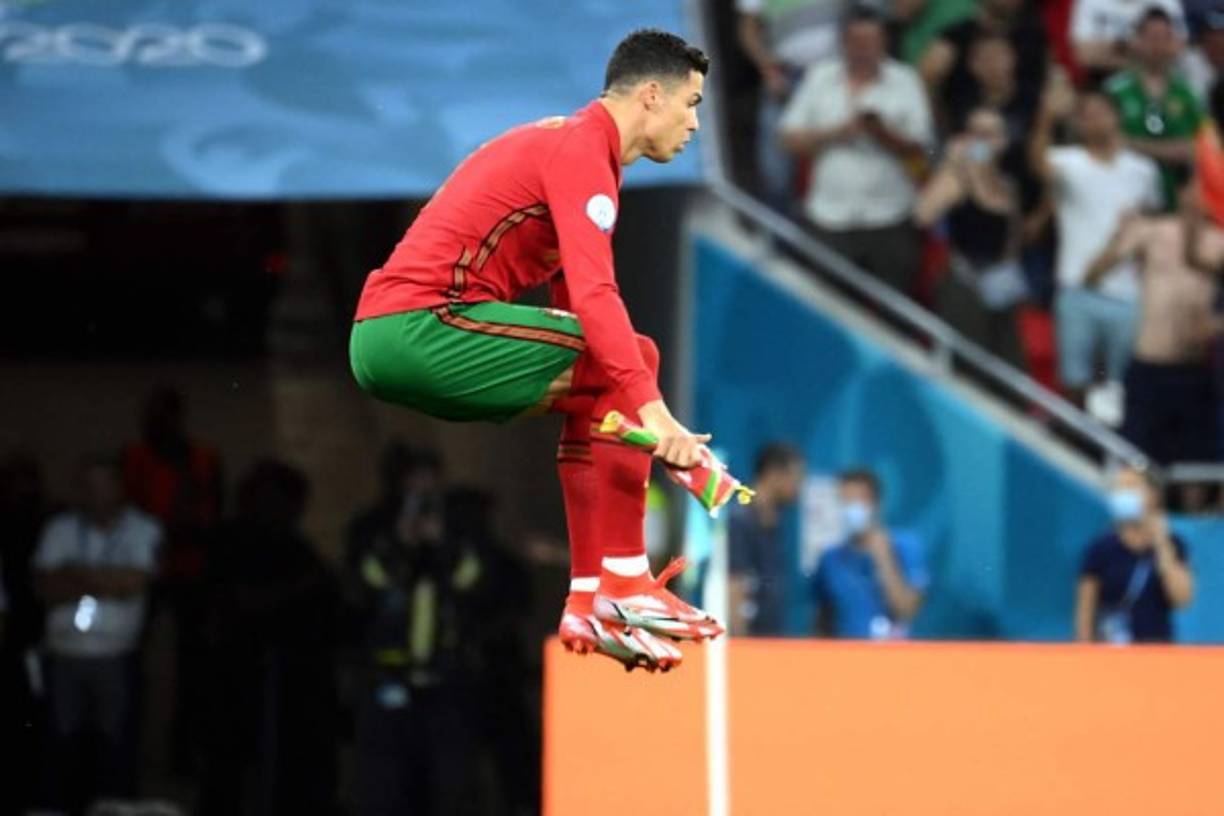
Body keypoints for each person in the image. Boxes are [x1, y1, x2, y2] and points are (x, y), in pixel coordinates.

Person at [349, 29, 714, 673]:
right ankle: (626, 583)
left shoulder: (580, 152)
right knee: (635, 359)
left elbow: (578, 310)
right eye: (690, 104)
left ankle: (587, 595)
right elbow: (600, 298)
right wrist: (656, 415)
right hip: (420, 326)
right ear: (651, 95)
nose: (693, 124)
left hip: (395, 337)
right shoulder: (581, 149)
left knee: (605, 379)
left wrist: (634, 410)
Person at [200, 461, 340, 816]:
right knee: (228, 766)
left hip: (289, 679)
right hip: (236, 671)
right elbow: (237, 600)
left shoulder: (296, 547)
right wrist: (299, 588)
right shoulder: (229, 539)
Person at [33, 456, 161, 812]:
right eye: (88, 485)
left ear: (120, 488)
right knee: (61, 747)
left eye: (104, 484)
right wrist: (108, 579)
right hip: (64, 654)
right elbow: (45, 586)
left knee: (115, 748)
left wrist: (74, 572)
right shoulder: (59, 528)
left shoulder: (141, 529)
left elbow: (134, 583)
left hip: (115, 655)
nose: (95, 494)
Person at [779, 6, 934, 294]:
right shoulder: (820, 77)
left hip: (890, 218)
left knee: (894, 317)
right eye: (856, 41)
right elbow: (788, 138)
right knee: (829, 312)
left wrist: (884, 134)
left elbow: (925, 151)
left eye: (871, 42)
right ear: (844, 42)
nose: (863, 49)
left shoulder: (906, 80)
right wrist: (837, 132)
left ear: (884, 43)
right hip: (830, 218)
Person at [1030, 80, 1163, 407]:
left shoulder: (1142, 170)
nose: (1094, 121)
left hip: (1127, 293)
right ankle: (1073, 449)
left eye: (1101, 113)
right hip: (1077, 290)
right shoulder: (1068, 161)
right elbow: (1037, 163)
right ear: (1077, 123)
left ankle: (1114, 454)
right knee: (1074, 383)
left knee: (1122, 386)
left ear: (1117, 117)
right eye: (1085, 115)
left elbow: (1152, 223)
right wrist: (1047, 116)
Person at [1083, 192, 1223, 475]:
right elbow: (1092, 276)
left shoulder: (1220, 240)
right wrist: (1117, 239)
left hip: (1194, 370)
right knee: (1135, 459)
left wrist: (1218, 324)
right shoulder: (1151, 232)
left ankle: (1188, 517)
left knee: (1194, 466)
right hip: (1149, 365)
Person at [915, 107, 1029, 367]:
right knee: (969, 360)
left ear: (1003, 141)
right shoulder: (956, 179)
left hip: (999, 283)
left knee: (1009, 360)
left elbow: (1011, 238)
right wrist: (950, 164)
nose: (980, 142)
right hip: (963, 281)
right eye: (974, 134)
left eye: (988, 135)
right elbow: (922, 215)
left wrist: (1012, 280)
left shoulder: (1008, 185)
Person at [735, 0, 846, 210]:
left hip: (837, 77)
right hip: (787, 76)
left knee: (838, 159)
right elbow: (747, 29)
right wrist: (767, 67)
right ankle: (781, 238)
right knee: (777, 170)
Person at [1075, 466, 1193, 643]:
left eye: (1131, 487)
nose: (1124, 494)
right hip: (1110, 653)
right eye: (1119, 488)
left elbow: (1182, 599)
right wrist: (1084, 650)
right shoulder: (1101, 548)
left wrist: (1162, 545)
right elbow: (1085, 608)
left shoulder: (1173, 544)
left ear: (1153, 495)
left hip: (1157, 652)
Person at [1104, 7, 1205, 211]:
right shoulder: (1115, 91)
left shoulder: (1188, 94)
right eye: (1151, 37)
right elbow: (1107, 144)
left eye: (1164, 38)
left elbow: (1198, 149)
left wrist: (1136, 146)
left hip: (1178, 196)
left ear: (1174, 42)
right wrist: (1170, 150)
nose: (1158, 45)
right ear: (1137, 41)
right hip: (1128, 197)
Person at [811, 470, 928, 639]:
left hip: (894, 657)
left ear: (875, 503)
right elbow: (821, 623)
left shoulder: (906, 547)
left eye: (856, 500)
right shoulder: (829, 559)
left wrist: (883, 558)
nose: (849, 508)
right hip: (845, 658)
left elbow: (906, 610)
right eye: (843, 501)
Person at [918, 0, 1048, 132]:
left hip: (1024, 135)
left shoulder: (1035, 37)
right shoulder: (954, 39)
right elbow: (924, 84)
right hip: (960, 137)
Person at [727, 444, 805, 637]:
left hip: (771, 641)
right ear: (774, 474)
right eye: (796, 478)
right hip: (750, 645)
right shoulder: (741, 522)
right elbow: (734, 586)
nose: (799, 488)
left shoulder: (774, 525)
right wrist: (741, 647)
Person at [1071, 0, 1187, 83]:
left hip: (1160, 79)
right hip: (1102, 79)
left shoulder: (1167, 3)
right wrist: (1137, 52)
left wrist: (1114, 49)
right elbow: (1083, 54)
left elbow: (1178, 48)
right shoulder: (1090, 2)